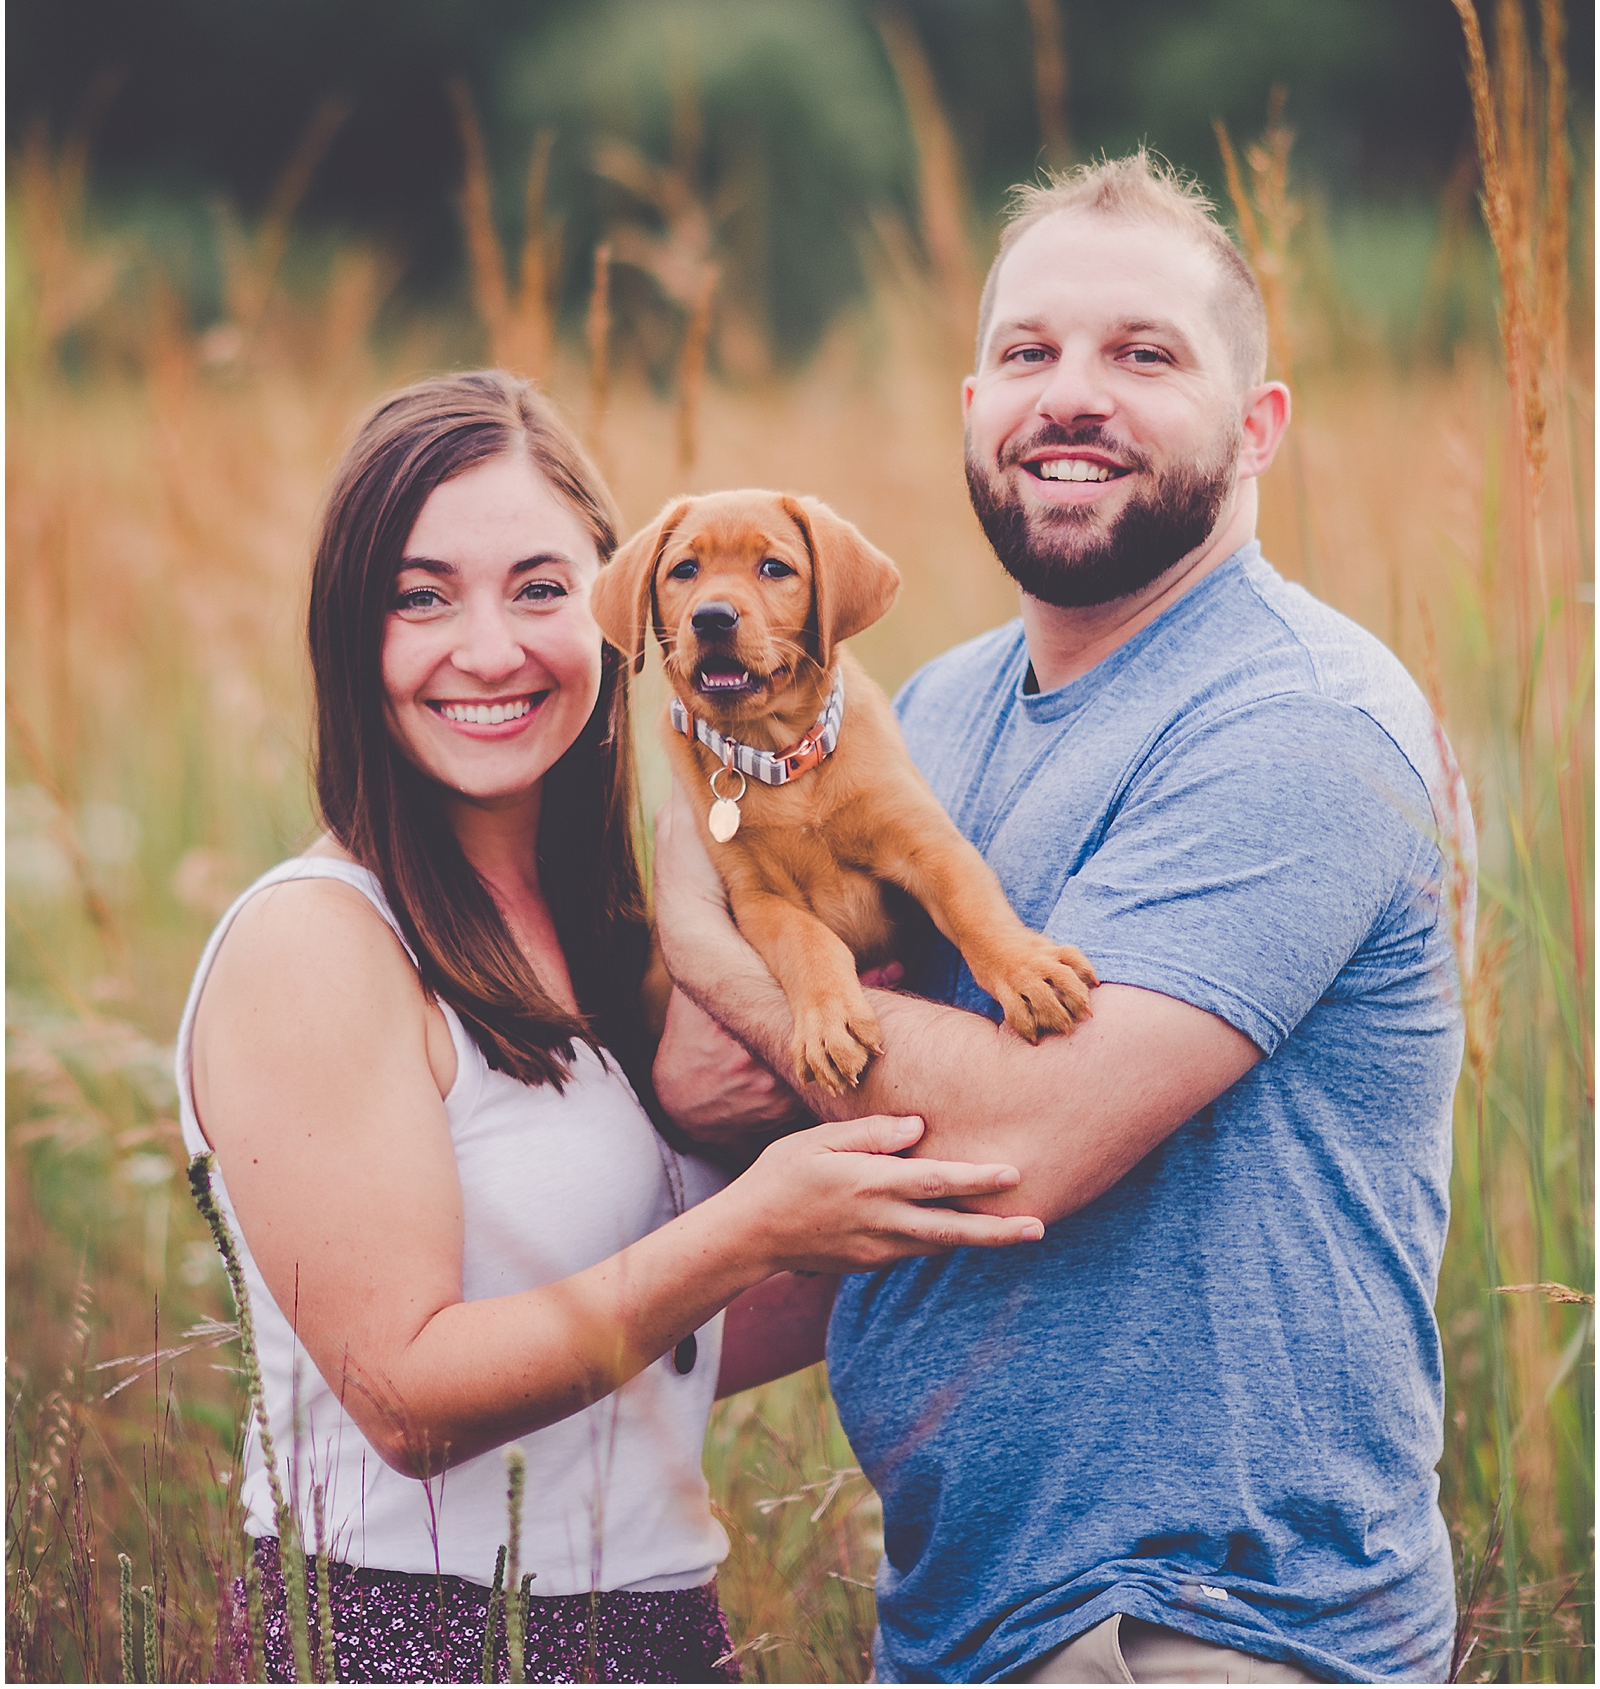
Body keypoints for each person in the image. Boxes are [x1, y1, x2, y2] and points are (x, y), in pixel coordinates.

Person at [650, 154, 1472, 1687]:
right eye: (1029, 354)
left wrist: (718, 950)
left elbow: (1023, 1143)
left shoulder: (1300, 720)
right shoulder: (932, 713)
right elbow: (878, 1168)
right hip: (965, 1618)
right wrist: (558, 1359)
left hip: (1210, 1630)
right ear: (973, 409)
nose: (1070, 396)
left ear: (1259, 425)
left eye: (1143, 355)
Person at [175, 371, 1047, 1686]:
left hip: (654, 1633)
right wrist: (754, 1224)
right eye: (422, 597)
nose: (489, 647)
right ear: (350, 635)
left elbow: (678, 1343)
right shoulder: (319, 943)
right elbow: (407, 1401)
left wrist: (965, 1187)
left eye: (539, 589)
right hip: (410, 1637)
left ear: (610, 617)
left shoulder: (618, 933)